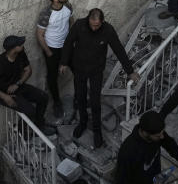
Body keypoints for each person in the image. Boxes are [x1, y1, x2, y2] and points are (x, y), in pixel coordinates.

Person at [60, 8, 140, 148]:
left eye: (97, 25)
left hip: (96, 70)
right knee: (80, 97)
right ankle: (82, 123)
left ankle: (97, 131)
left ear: (102, 22)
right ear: (88, 19)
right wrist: (64, 62)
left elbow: (119, 49)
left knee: (96, 102)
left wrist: (130, 71)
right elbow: (68, 43)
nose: (94, 27)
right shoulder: (79, 25)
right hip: (79, 69)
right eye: (92, 24)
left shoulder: (108, 30)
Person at [0, 35, 56, 136]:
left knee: (43, 97)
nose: (22, 44)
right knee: (30, 111)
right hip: (5, 94)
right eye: (19, 44)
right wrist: (5, 97)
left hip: (18, 87)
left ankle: (40, 126)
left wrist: (17, 84)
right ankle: (22, 135)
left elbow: (28, 70)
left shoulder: (21, 53)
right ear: (13, 49)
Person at [35, 0, 74, 119]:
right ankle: (57, 103)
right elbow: (39, 35)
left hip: (67, 47)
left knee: (78, 68)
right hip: (52, 49)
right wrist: (48, 52)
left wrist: (72, 38)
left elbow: (71, 20)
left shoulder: (68, 6)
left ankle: (79, 99)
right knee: (52, 77)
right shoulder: (46, 14)